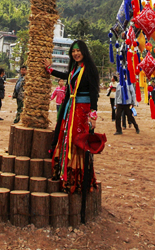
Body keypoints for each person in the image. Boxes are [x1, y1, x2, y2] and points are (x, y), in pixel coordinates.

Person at [45, 40, 101, 201]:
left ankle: (75, 179)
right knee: (66, 138)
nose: (76, 53)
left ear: (84, 51)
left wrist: (93, 114)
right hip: (70, 108)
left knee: (77, 141)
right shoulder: (75, 68)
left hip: (81, 110)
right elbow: (65, 76)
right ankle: (64, 175)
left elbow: (93, 91)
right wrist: (49, 69)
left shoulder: (89, 69)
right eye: (73, 51)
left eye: (78, 50)